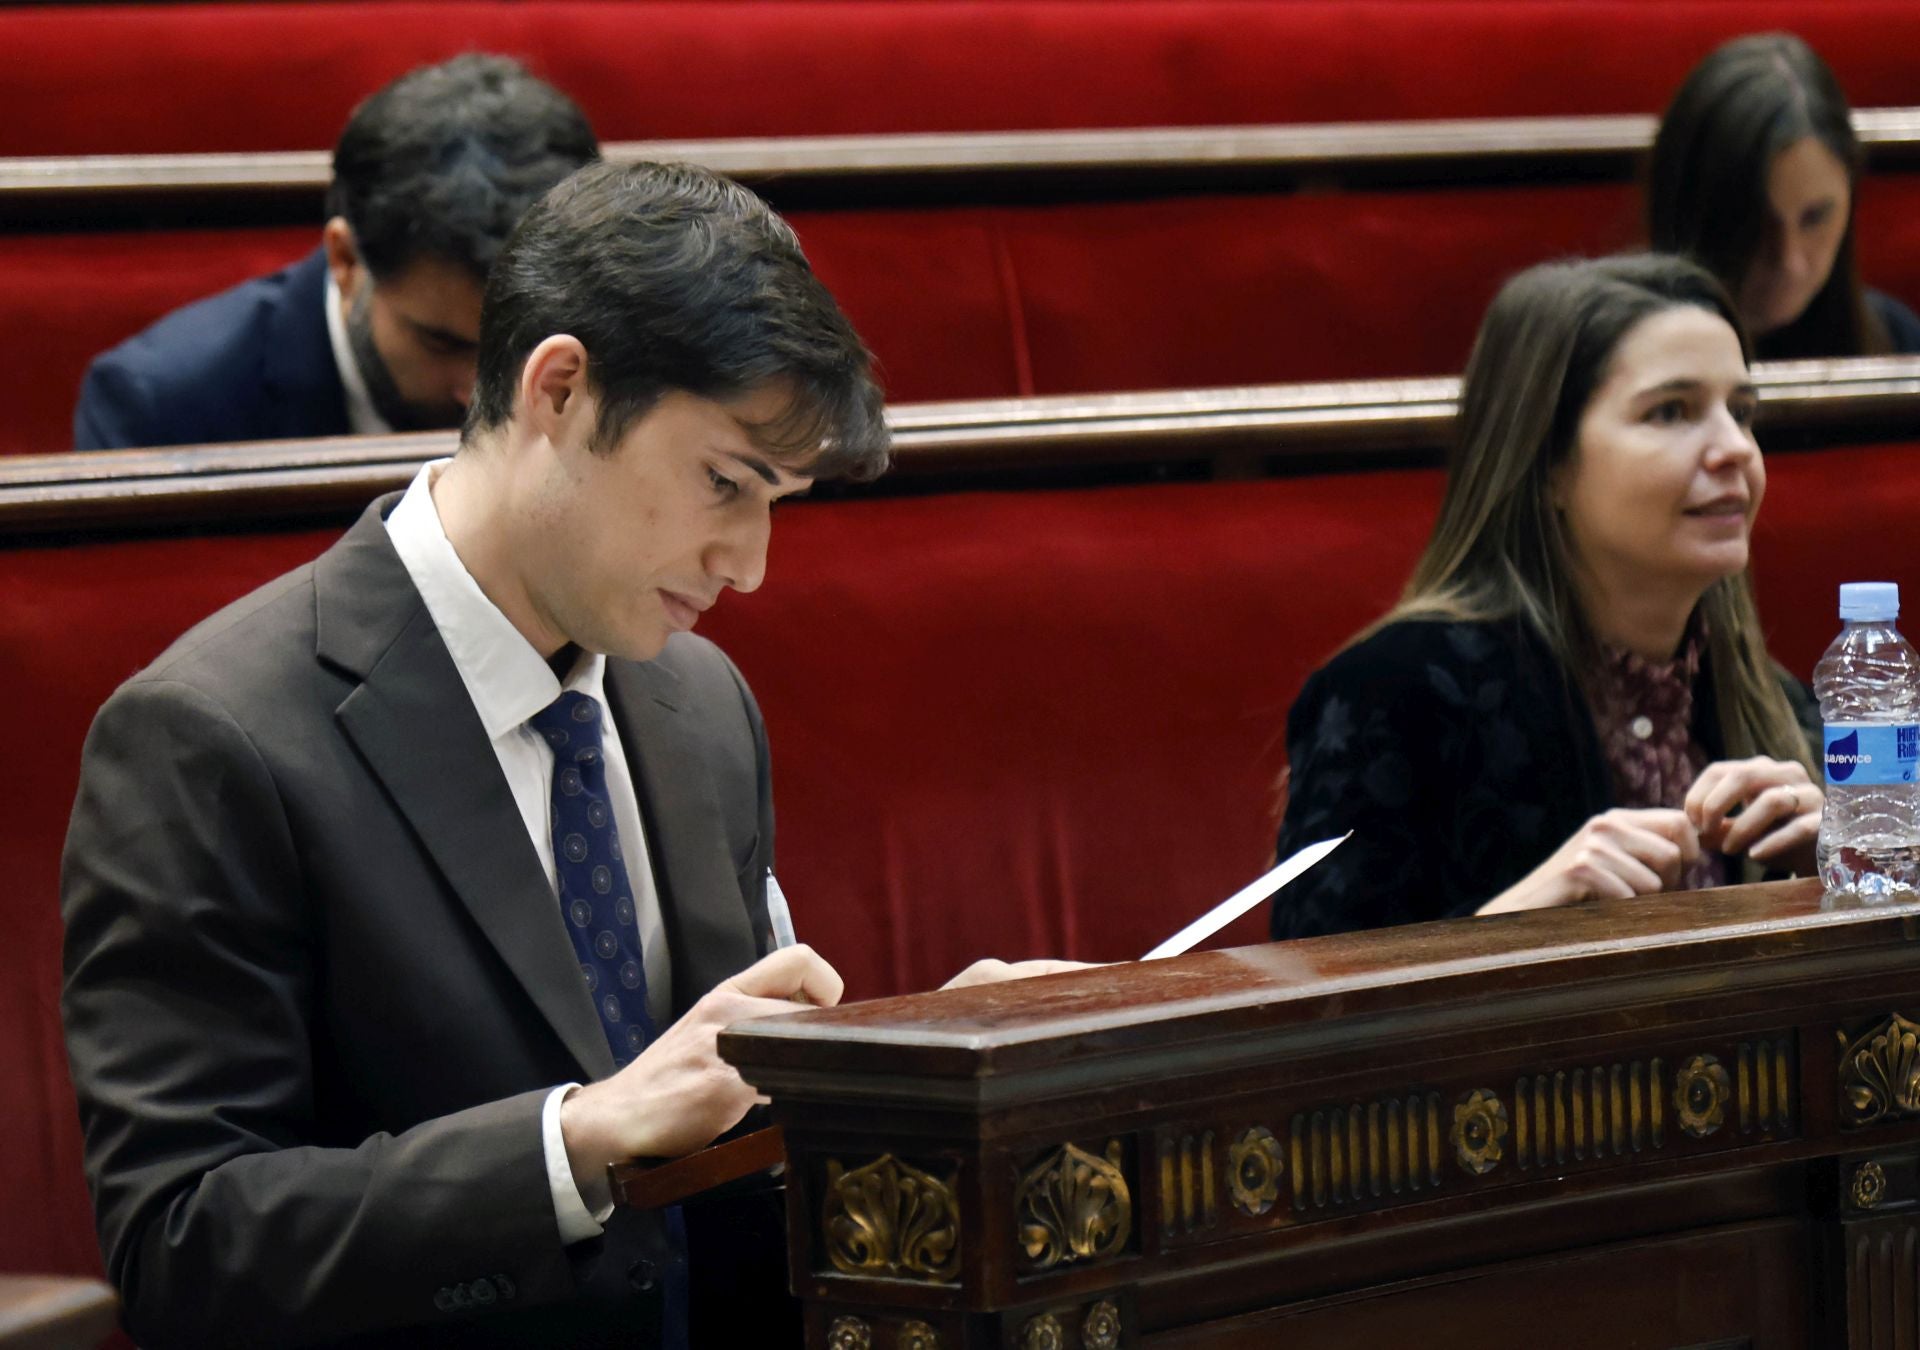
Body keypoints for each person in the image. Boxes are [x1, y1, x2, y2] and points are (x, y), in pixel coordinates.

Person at [60, 160, 1069, 1350]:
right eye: (723, 482)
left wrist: (918, 1068)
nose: (749, 565)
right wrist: (571, 1142)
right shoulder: (208, 735)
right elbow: (183, 1244)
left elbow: (730, 1137)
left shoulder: (701, 701)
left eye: (777, 503)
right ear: (560, 389)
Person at [1270, 254, 1823, 940]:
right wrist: (1522, 917)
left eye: (1741, 412)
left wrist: (1844, 874)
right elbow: (1313, 996)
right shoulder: (1393, 693)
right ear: (1548, 463)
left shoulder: (1781, 706)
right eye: (1671, 411)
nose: (1734, 448)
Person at [72, 53, 598, 450]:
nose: (481, 393)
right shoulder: (162, 411)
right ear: (345, 260)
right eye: (441, 344)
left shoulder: (616, 354)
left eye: (523, 346)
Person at [1648, 32, 1920, 360]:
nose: (1790, 261)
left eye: (1815, 217)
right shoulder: (1612, 357)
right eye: (1754, 222)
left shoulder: (1895, 339)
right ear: (1689, 209)